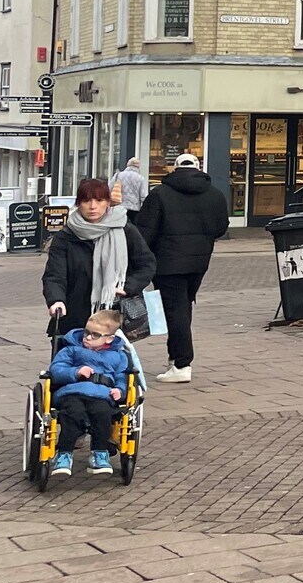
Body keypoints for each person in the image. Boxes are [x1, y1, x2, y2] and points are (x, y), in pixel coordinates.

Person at [132, 152, 230, 383]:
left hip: (167, 262)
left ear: (175, 168)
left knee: (175, 311)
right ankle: (175, 357)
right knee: (183, 308)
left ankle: (181, 363)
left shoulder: (160, 195)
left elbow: (145, 231)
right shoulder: (215, 195)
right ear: (198, 167)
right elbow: (221, 227)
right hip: (199, 261)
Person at [43, 177, 155, 344]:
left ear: (108, 202)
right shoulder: (66, 236)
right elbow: (54, 275)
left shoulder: (125, 230)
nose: (93, 206)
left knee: (112, 365)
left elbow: (146, 264)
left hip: (113, 315)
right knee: (72, 365)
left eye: (99, 200)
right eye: (86, 201)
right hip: (74, 313)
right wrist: (56, 300)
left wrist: (127, 287)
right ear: (78, 204)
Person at [47, 309, 133, 476]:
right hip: (72, 392)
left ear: (109, 338)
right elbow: (56, 369)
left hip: (102, 394)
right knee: (73, 413)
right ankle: (64, 453)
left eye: (95, 335)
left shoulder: (118, 356)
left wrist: (120, 390)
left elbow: (122, 377)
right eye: (86, 332)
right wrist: (76, 371)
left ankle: (100, 453)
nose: (87, 337)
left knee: (102, 413)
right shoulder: (71, 350)